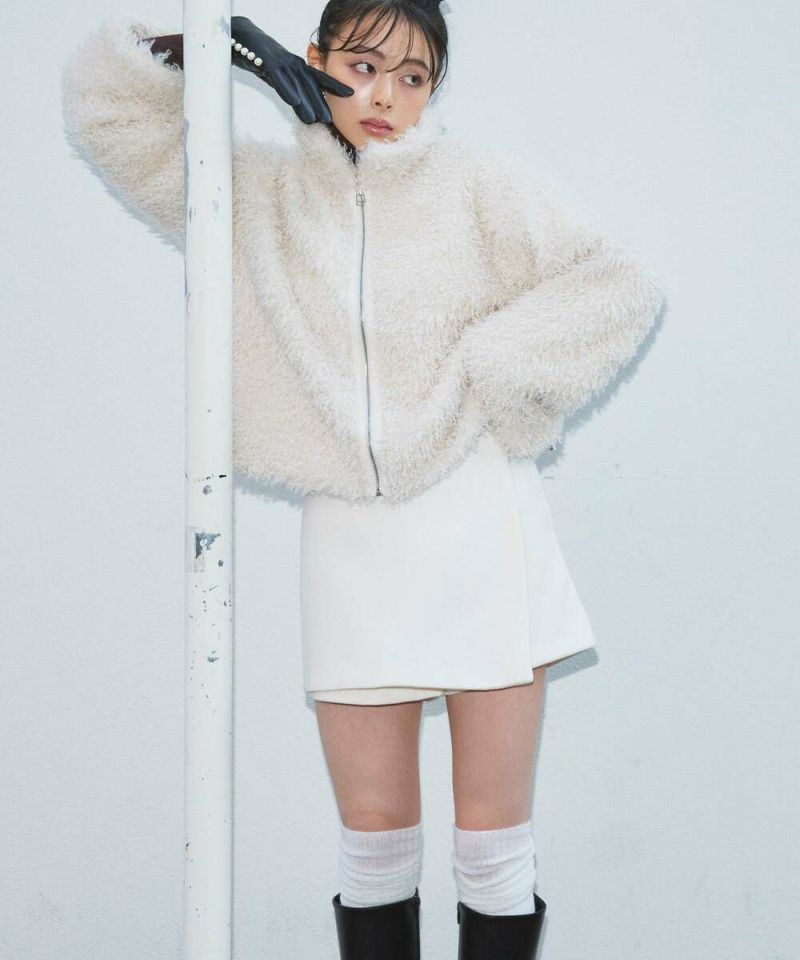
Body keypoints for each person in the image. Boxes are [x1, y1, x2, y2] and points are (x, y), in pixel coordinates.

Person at [60, 2, 665, 957]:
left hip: (480, 524)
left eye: (413, 77)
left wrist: (492, 373)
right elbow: (105, 111)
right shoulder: (254, 194)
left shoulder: (479, 187)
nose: (385, 95)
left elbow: (618, 283)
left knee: (493, 851)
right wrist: (215, 50)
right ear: (314, 60)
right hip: (349, 540)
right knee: (374, 845)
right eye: (363, 65)